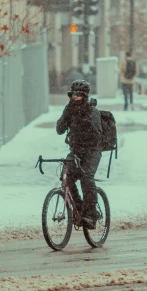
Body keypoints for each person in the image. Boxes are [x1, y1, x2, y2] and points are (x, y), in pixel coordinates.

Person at [56, 79, 102, 228]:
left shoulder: (92, 111)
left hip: (92, 150)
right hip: (75, 151)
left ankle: (91, 214)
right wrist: (66, 115)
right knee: (66, 177)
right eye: (72, 94)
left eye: (78, 95)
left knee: (86, 177)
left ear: (85, 96)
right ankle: (80, 208)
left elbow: (96, 135)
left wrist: (86, 121)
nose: (74, 97)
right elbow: (59, 129)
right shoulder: (69, 109)